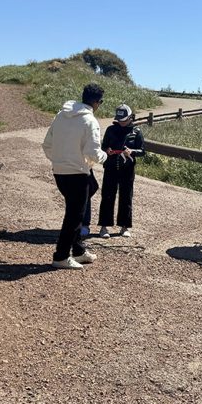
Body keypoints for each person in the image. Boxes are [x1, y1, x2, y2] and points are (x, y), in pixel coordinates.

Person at [42, 84, 107, 269]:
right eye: (100, 102)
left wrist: (59, 160)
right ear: (96, 102)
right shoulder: (90, 121)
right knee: (74, 216)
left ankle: (78, 251)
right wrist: (105, 156)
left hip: (60, 172)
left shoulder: (61, 115)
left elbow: (47, 144)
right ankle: (61, 256)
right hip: (78, 173)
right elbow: (94, 153)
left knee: (85, 197)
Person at [98, 104, 144, 238]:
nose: (121, 122)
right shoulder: (111, 129)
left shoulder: (137, 131)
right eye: (119, 119)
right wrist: (107, 150)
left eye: (124, 119)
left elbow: (142, 151)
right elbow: (103, 146)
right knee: (107, 196)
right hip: (111, 166)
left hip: (127, 169)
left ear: (130, 117)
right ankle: (104, 227)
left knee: (126, 197)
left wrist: (132, 151)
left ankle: (124, 227)